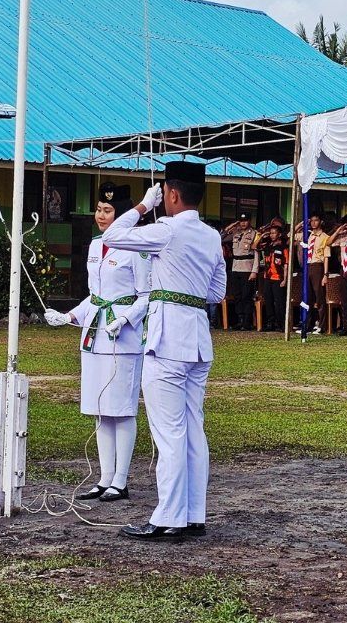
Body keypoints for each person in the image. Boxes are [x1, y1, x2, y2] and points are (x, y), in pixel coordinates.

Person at [102, 162, 226, 540]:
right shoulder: (210, 235)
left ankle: (170, 516)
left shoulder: (166, 230)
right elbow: (216, 292)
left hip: (168, 339)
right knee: (192, 430)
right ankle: (193, 514)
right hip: (198, 339)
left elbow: (114, 234)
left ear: (171, 194)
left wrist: (141, 206)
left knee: (169, 432)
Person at [45, 182, 150, 503]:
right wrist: (69, 316)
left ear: (122, 215)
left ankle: (121, 480)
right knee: (101, 411)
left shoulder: (137, 247)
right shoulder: (95, 246)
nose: (101, 215)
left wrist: (127, 318)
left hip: (123, 338)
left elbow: (147, 296)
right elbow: (95, 296)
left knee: (122, 409)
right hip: (95, 335)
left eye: (108, 211)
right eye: (99, 209)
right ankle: (104, 478)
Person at [222, 213, 259, 330]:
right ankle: (240, 319)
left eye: (245, 221)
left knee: (246, 295)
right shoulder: (235, 233)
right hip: (236, 267)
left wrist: (255, 271)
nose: (243, 223)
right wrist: (232, 226)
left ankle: (247, 322)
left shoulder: (255, 234)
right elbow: (221, 237)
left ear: (249, 221)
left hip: (247, 267)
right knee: (237, 295)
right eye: (241, 221)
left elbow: (257, 253)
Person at [294, 213, 328, 334]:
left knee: (319, 297)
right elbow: (290, 235)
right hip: (306, 266)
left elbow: (325, 257)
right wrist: (302, 223)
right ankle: (307, 324)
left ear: (321, 222)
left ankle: (321, 325)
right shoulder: (307, 234)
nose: (314, 223)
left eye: (316, 220)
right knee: (307, 297)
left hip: (317, 266)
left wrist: (325, 274)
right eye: (311, 221)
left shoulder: (324, 237)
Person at [259, 225, 289, 332]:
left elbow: (286, 264)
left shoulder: (283, 247)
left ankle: (281, 324)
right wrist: (263, 235)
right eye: (270, 233)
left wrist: (285, 280)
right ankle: (270, 323)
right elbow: (255, 246)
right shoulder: (267, 245)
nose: (272, 235)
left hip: (278, 278)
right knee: (268, 301)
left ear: (279, 234)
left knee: (279, 302)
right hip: (267, 277)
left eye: (274, 233)